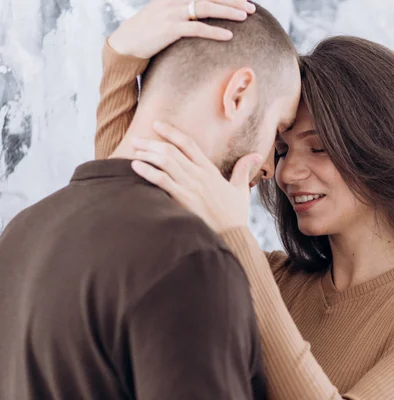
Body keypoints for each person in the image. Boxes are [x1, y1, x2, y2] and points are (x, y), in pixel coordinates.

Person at [95, 3, 394, 400]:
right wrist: (120, 60)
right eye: (281, 150)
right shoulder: (273, 279)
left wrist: (234, 239)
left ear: (383, 146)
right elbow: (133, 219)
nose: (287, 173)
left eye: (319, 148)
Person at [0, 1, 300, 399]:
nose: (269, 169)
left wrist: (119, 57)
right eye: (277, 131)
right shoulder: (190, 261)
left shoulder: (23, 231)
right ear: (239, 93)